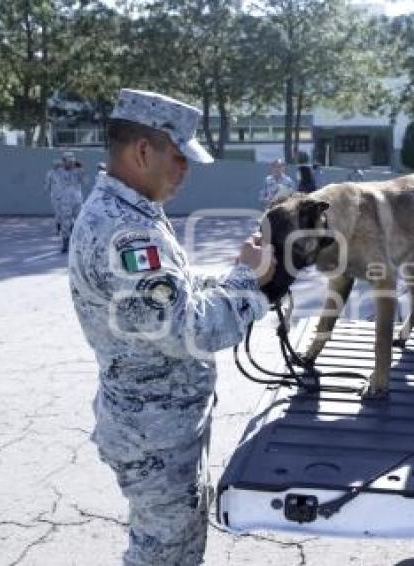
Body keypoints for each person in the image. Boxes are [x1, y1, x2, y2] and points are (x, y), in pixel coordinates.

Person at [67, 88, 274, 565]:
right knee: (162, 555)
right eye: (180, 157)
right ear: (144, 151)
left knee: (174, 548)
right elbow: (189, 330)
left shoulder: (131, 214)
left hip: (159, 427)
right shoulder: (126, 232)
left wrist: (232, 276)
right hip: (154, 437)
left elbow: (168, 295)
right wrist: (249, 281)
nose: (187, 170)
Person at [55, 151, 85, 252]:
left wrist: (81, 169)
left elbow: (84, 181)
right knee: (66, 222)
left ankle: (80, 243)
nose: (70, 163)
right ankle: (65, 243)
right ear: (64, 161)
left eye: (71, 160)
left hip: (77, 200)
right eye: (67, 160)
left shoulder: (78, 171)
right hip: (65, 200)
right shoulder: (59, 171)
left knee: (79, 222)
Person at [44, 159, 63, 234]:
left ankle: (66, 228)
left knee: (65, 213)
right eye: (56, 165)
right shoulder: (50, 173)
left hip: (65, 196)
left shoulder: (64, 173)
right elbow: (47, 183)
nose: (58, 167)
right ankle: (58, 228)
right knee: (58, 213)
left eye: (59, 165)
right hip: (55, 196)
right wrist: (46, 190)